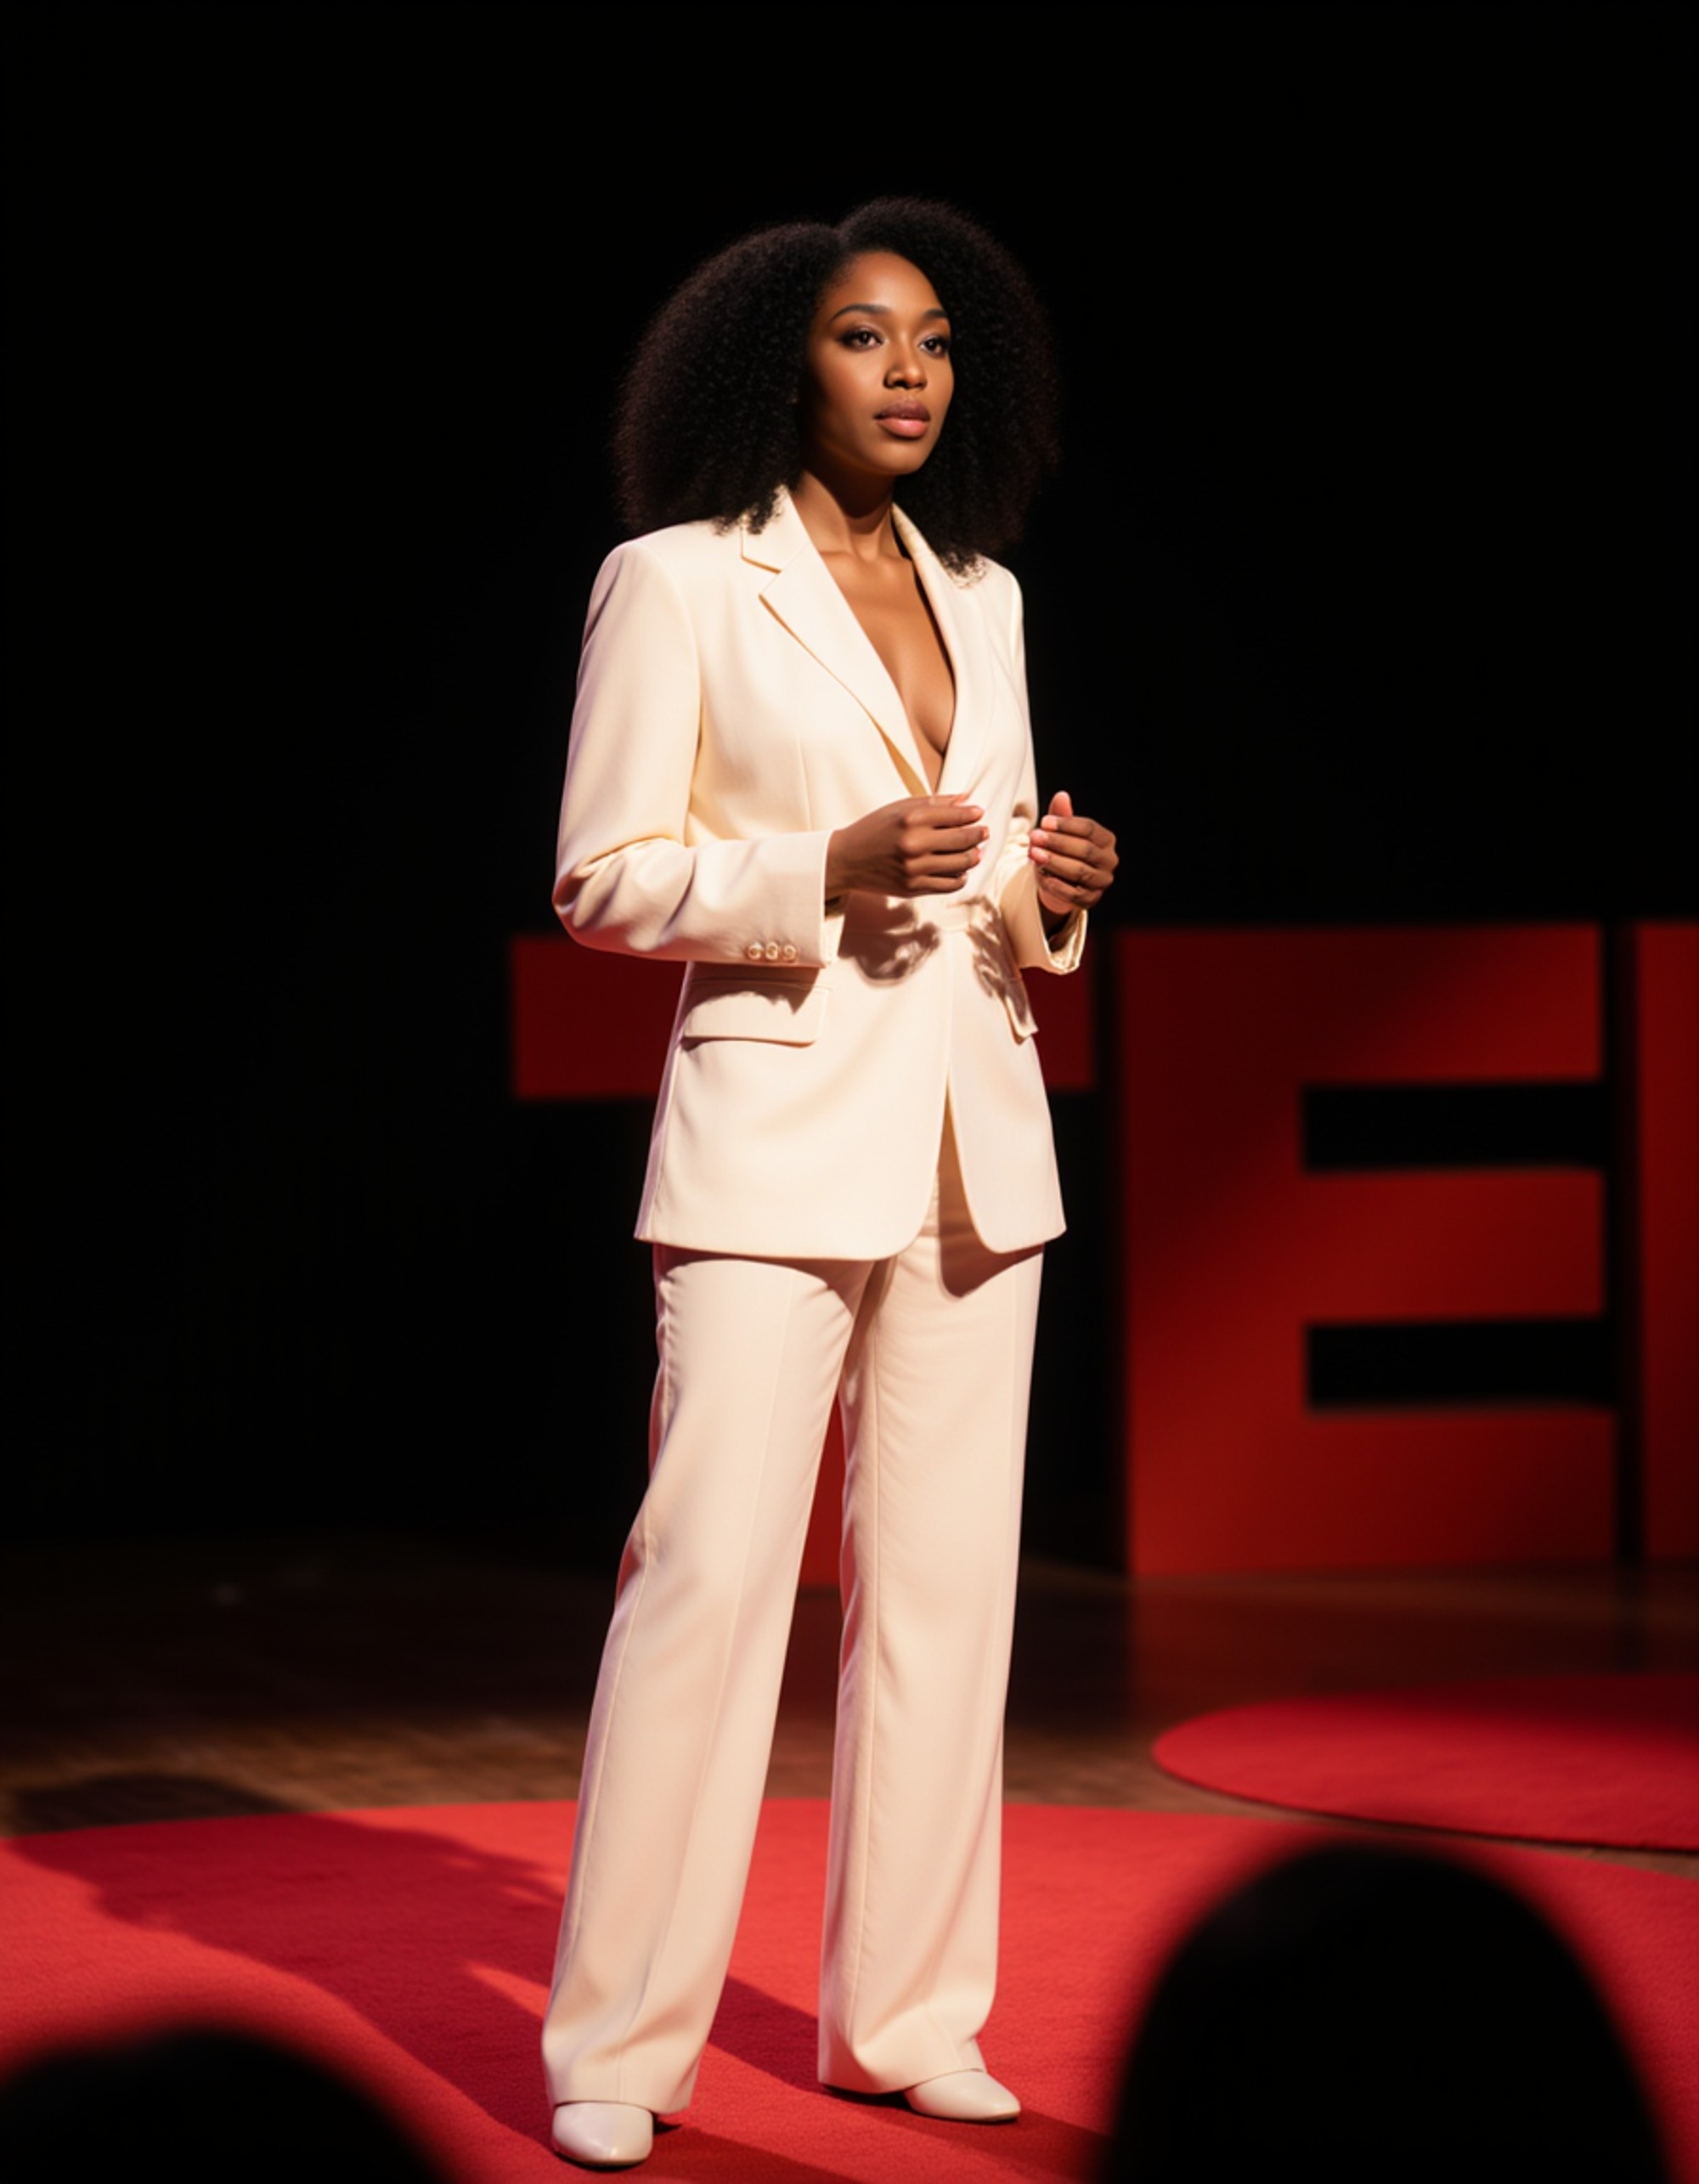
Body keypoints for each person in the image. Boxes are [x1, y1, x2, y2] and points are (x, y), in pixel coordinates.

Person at [541, 197, 1117, 2170]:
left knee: (945, 1605)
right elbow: (605, 876)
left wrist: (1049, 896)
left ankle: (907, 2014)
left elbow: (992, 878)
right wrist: (814, 874)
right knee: (703, 1585)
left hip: (973, 1137)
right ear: (777, 359)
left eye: (937, 341)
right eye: (867, 337)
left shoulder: (988, 592)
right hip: (771, 1135)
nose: (908, 373)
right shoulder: (678, 582)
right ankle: (617, 2041)